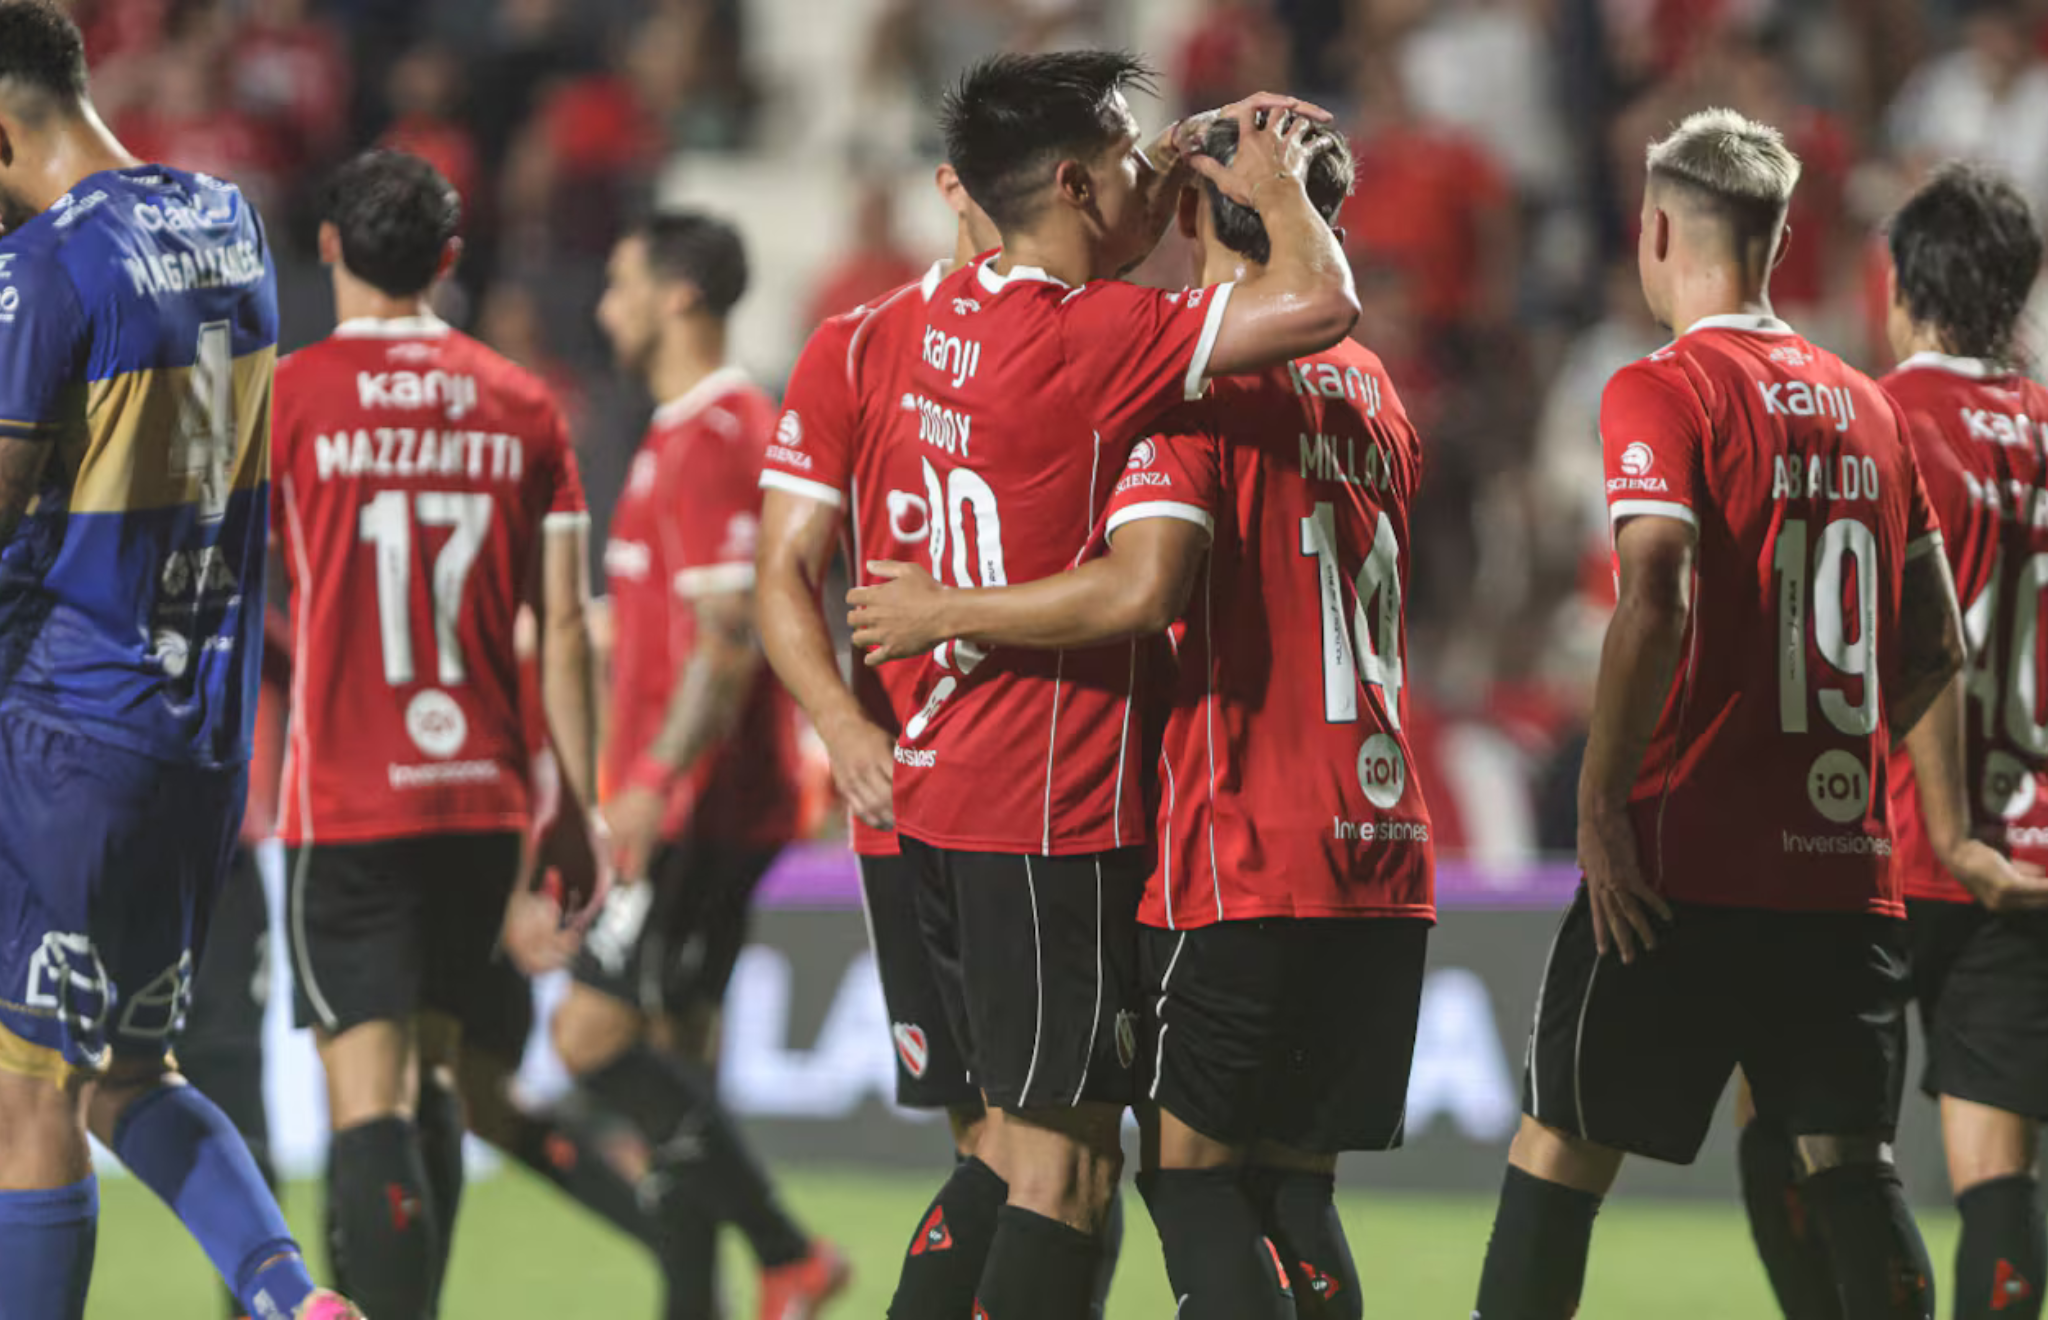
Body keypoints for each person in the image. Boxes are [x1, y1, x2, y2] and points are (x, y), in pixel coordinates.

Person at [848, 118, 1430, 1320]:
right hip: (1381, 843)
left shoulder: (1189, 383)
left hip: (1241, 840)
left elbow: (1142, 588)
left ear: (1191, 211)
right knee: (1293, 1190)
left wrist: (943, 608)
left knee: (1182, 1181)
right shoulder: (1377, 391)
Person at [1467, 107, 2043, 1320]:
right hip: (1841, 876)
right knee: (1847, 1164)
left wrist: (1598, 803)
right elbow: (1932, 645)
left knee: (1558, 1149)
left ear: (1655, 232)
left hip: (1682, 859)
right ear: (1778, 243)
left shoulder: (1661, 387)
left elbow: (1655, 592)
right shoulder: (1870, 408)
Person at [0, 3, 354, 1318]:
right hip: (199, 732)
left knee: (27, 1094)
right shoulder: (227, 221)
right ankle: (294, 1301)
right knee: (130, 1072)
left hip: (68, 727)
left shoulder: (46, 267)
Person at [271, 148, 602, 1320]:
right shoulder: (523, 403)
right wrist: (577, 808)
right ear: (450, 259)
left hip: (347, 798)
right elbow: (566, 624)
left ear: (327, 247)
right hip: (481, 800)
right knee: (437, 1079)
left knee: (368, 1099)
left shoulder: (288, 398)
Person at [1741, 164, 2048, 1320]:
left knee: (1793, 1132)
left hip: (1871, 844)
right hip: (2025, 852)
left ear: (1902, 288)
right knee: (1997, 1173)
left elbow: (1827, 636)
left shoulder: (1873, 417)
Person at [560, 210, 846, 1320]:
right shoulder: (674, 434)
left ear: (676, 296)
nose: (605, 309)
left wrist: (648, 784)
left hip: (699, 806)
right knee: (678, 1056)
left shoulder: (724, 433)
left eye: (620, 284)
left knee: (591, 1039)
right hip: (685, 798)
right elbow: (672, 623)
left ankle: (788, 1250)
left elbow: (727, 638)